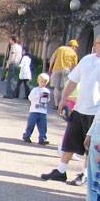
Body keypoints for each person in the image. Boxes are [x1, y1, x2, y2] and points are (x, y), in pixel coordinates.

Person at [41, 35, 100, 186]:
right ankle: (61, 170)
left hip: (96, 111)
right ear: (95, 44)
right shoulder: (86, 60)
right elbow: (73, 80)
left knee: (90, 144)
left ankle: (85, 173)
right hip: (80, 107)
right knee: (70, 139)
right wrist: (63, 99)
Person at [22, 73, 51, 144]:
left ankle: (42, 138)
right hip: (34, 110)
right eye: (42, 82)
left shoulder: (47, 90)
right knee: (31, 124)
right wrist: (39, 96)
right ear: (38, 81)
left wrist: (48, 97)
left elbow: (47, 101)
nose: (43, 83)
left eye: (45, 82)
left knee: (43, 126)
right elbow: (30, 98)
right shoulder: (35, 89)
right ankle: (27, 136)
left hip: (43, 111)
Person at [49, 39, 79, 106]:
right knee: (64, 88)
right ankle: (61, 103)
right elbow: (75, 66)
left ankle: (56, 104)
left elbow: (53, 58)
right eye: (75, 46)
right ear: (73, 46)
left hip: (56, 69)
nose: (75, 48)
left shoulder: (60, 48)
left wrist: (50, 68)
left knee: (56, 87)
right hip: (66, 70)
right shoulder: (74, 53)